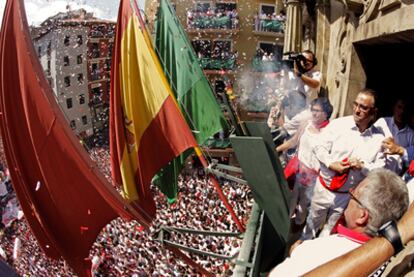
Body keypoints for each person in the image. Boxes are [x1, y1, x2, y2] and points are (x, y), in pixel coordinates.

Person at [269, 168, 409, 277]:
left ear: (362, 216)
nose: (350, 192)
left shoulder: (316, 251)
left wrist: (298, 254)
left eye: (354, 194)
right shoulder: (387, 254)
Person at [300, 88, 387, 240]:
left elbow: (380, 168)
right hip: (323, 189)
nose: (357, 110)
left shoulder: (378, 139)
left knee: (330, 230)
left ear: (374, 112)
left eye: (363, 107)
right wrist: (331, 163)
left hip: (346, 196)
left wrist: (363, 166)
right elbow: (319, 147)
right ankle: (303, 246)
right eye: (356, 105)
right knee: (312, 223)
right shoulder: (338, 125)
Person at [303, 201, 414, 277]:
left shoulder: (309, 250)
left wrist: (402, 231)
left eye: (354, 195)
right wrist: (401, 232)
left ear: (362, 216)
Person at [276, 97, 333, 226]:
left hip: (315, 176)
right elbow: (294, 141)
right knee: (292, 197)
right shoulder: (306, 124)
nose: (313, 113)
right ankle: (285, 222)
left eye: (317, 111)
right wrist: (277, 149)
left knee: (304, 203)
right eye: (312, 110)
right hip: (300, 169)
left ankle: (298, 223)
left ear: (326, 113)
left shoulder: (330, 132)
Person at [280, 50, 322, 137]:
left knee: (285, 132)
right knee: (286, 135)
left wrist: (299, 75)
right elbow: (286, 86)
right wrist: (286, 70)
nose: (305, 62)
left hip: (307, 111)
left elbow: (315, 84)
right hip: (291, 110)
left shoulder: (316, 74)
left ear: (314, 62)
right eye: (302, 59)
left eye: (308, 60)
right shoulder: (292, 73)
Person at [375, 97, 414, 173]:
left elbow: (410, 161)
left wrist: (398, 151)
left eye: (405, 109)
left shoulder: (411, 134)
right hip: (377, 170)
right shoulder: (383, 123)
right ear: (394, 107)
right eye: (399, 107)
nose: (402, 111)